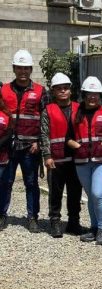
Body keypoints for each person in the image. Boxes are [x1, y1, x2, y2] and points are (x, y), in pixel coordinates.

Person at [66, 76, 102, 246]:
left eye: (96, 93)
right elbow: (68, 138)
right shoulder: (75, 114)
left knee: (98, 194)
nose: (92, 97)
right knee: (90, 196)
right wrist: (76, 146)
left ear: (100, 95)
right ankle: (94, 228)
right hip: (82, 161)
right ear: (84, 94)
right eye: (89, 93)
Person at [0, 49, 49, 232]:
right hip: (8, 145)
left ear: (31, 69)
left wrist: (39, 142)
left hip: (31, 147)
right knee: (6, 182)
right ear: (13, 68)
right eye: (19, 68)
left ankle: (32, 217)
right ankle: (2, 215)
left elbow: (45, 120)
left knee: (31, 183)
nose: (23, 71)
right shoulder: (3, 90)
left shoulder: (40, 91)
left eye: (26, 68)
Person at [39, 72, 83, 238]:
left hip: (75, 159)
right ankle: (55, 222)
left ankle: (73, 222)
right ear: (54, 92)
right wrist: (46, 156)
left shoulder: (79, 108)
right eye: (59, 89)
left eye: (66, 88)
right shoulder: (47, 111)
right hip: (55, 160)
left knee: (75, 192)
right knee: (55, 193)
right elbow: (44, 134)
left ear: (70, 90)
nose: (63, 91)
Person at [0, 93, 13, 231]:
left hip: (1, 158)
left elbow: (9, 134)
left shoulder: (5, 115)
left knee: (3, 187)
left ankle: (1, 214)